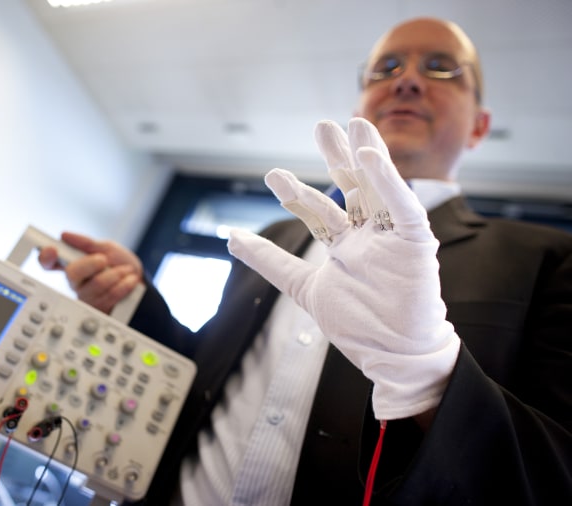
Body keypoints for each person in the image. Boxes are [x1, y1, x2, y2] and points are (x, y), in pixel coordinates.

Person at [39, 17, 572, 505]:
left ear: (480, 125)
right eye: (385, 68)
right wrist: (133, 297)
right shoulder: (279, 235)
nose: (406, 79)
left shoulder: (545, 259)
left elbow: (557, 471)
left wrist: (428, 376)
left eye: (441, 68)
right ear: (361, 105)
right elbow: (209, 372)